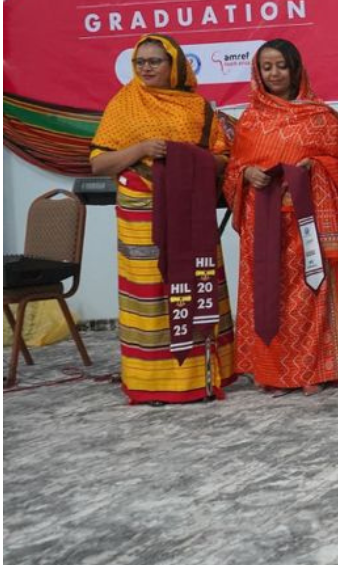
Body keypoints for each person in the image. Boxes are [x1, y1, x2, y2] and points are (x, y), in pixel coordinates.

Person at [89, 33, 236, 404]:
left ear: (175, 65)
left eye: (155, 61)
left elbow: (222, 159)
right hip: (141, 215)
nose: (146, 68)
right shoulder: (123, 104)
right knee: (152, 292)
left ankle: (202, 376)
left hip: (191, 212)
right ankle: (152, 381)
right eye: (140, 62)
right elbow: (99, 163)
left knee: (196, 282)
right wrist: (142, 148)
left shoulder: (197, 108)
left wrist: (189, 158)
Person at [224, 40, 338, 395]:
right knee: (268, 291)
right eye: (266, 67)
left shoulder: (320, 117)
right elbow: (233, 169)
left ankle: (314, 369)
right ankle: (271, 370)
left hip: (308, 220)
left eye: (281, 66)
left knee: (312, 290)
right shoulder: (251, 119)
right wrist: (247, 173)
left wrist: (314, 166)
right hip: (262, 223)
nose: (274, 74)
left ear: (296, 68)